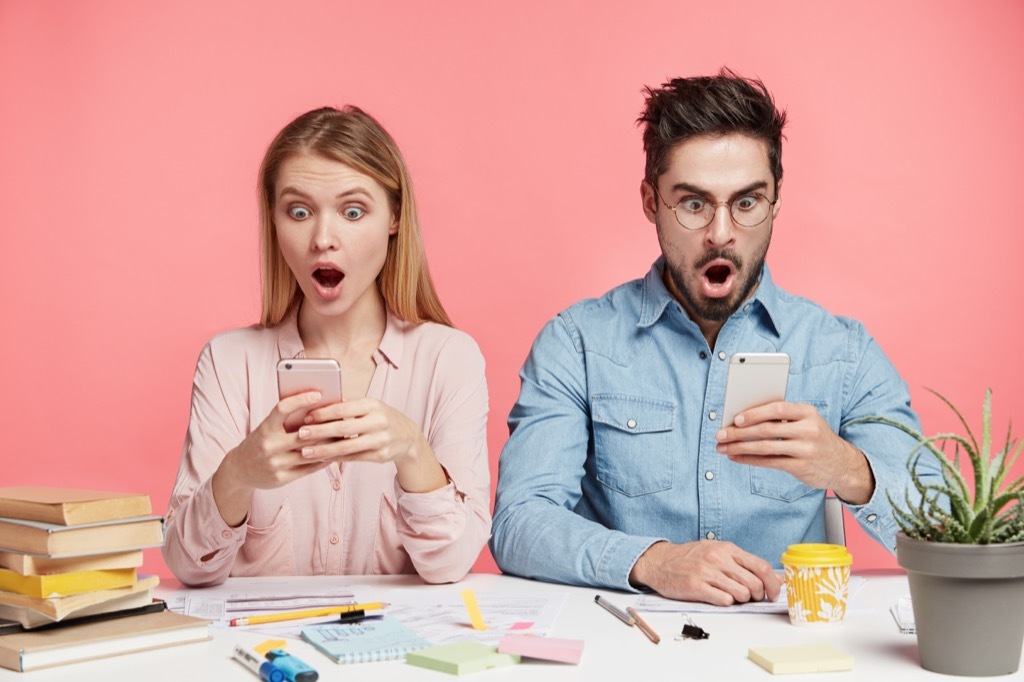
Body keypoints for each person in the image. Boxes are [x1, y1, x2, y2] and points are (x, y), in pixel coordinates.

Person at [489, 69, 941, 606]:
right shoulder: (577, 343)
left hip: (788, 648)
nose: (721, 232)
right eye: (694, 203)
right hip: (628, 645)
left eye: (746, 202)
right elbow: (518, 524)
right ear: (650, 201)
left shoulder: (842, 352)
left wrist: (848, 469)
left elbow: (944, 529)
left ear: (776, 201)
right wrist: (653, 561)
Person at [164, 106, 490, 587]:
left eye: (353, 212)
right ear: (273, 222)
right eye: (298, 212)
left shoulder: (449, 359)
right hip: (258, 651)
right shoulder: (228, 362)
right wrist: (239, 472)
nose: (322, 239)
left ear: (394, 217)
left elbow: (448, 565)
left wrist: (411, 450)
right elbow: (188, 566)